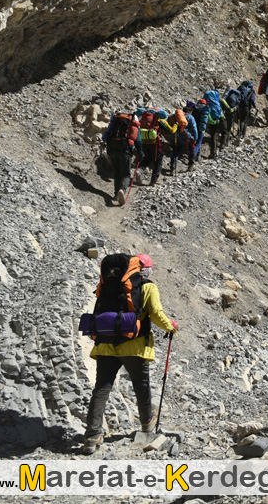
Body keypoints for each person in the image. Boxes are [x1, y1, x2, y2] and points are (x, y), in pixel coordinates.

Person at [81, 253, 178, 455]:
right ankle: (146, 425)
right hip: (134, 345)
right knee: (141, 385)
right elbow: (156, 313)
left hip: (105, 345)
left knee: (101, 388)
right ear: (144, 270)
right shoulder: (147, 286)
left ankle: (92, 436)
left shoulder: (108, 286)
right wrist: (171, 327)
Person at [102, 112, 140, 205]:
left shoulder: (115, 123)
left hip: (113, 150)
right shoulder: (132, 125)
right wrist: (141, 153)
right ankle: (122, 190)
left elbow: (105, 138)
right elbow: (138, 141)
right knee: (126, 174)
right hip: (125, 152)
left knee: (117, 173)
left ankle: (115, 195)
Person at [135, 109, 165, 186]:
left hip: (144, 140)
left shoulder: (143, 113)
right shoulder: (157, 115)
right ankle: (153, 181)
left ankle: (139, 170)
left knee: (146, 158)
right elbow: (165, 116)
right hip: (155, 142)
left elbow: (136, 113)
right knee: (158, 161)